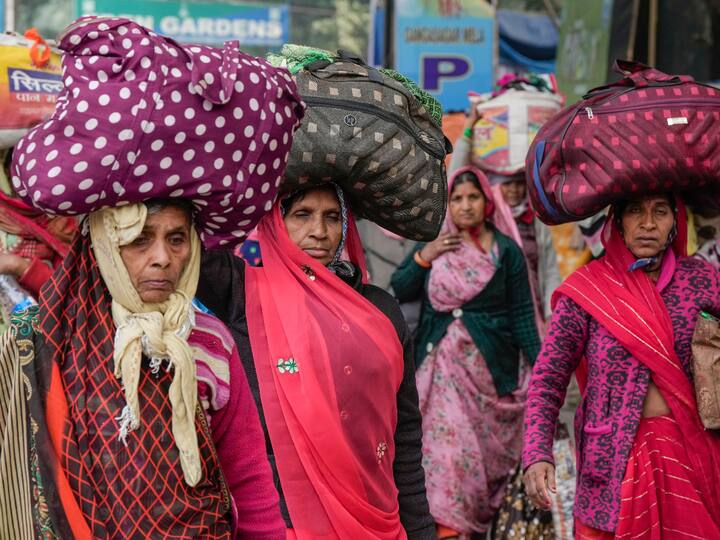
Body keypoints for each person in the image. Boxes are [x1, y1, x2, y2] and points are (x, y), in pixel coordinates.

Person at [0, 199, 285, 538]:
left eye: (177, 239)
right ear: (104, 246)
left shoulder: (212, 344)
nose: (162, 258)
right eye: (140, 240)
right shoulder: (52, 345)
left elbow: (247, 475)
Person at [198, 183, 435, 539]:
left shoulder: (380, 311)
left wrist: (419, 531)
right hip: (284, 525)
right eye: (302, 215)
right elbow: (182, 247)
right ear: (274, 222)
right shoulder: (242, 293)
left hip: (377, 519)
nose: (319, 232)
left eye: (332, 217)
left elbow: (404, 433)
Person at [523, 194, 720, 537]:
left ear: (676, 221)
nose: (647, 224)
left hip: (693, 457)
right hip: (616, 464)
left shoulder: (702, 280)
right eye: (635, 212)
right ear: (617, 221)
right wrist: (537, 452)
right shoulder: (587, 292)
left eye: (660, 212)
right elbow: (548, 379)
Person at [390, 166, 541, 539]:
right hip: (438, 373)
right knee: (446, 455)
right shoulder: (436, 242)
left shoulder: (505, 252)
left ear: (487, 201)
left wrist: (544, 373)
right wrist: (425, 256)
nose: (465, 205)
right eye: (456, 199)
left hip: (489, 376)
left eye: (473, 197)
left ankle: (468, 527)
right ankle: (447, 530)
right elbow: (401, 287)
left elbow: (522, 315)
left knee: (481, 464)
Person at [450, 108, 561, 319]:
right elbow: (454, 179)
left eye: (520, 184)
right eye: (507, 184)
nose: (514, 190)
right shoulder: (486, 215)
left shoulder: (536, 217)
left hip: (531, 309)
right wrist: (467, 132)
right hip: (493, 314)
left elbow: (549, 267)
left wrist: (551, 314)